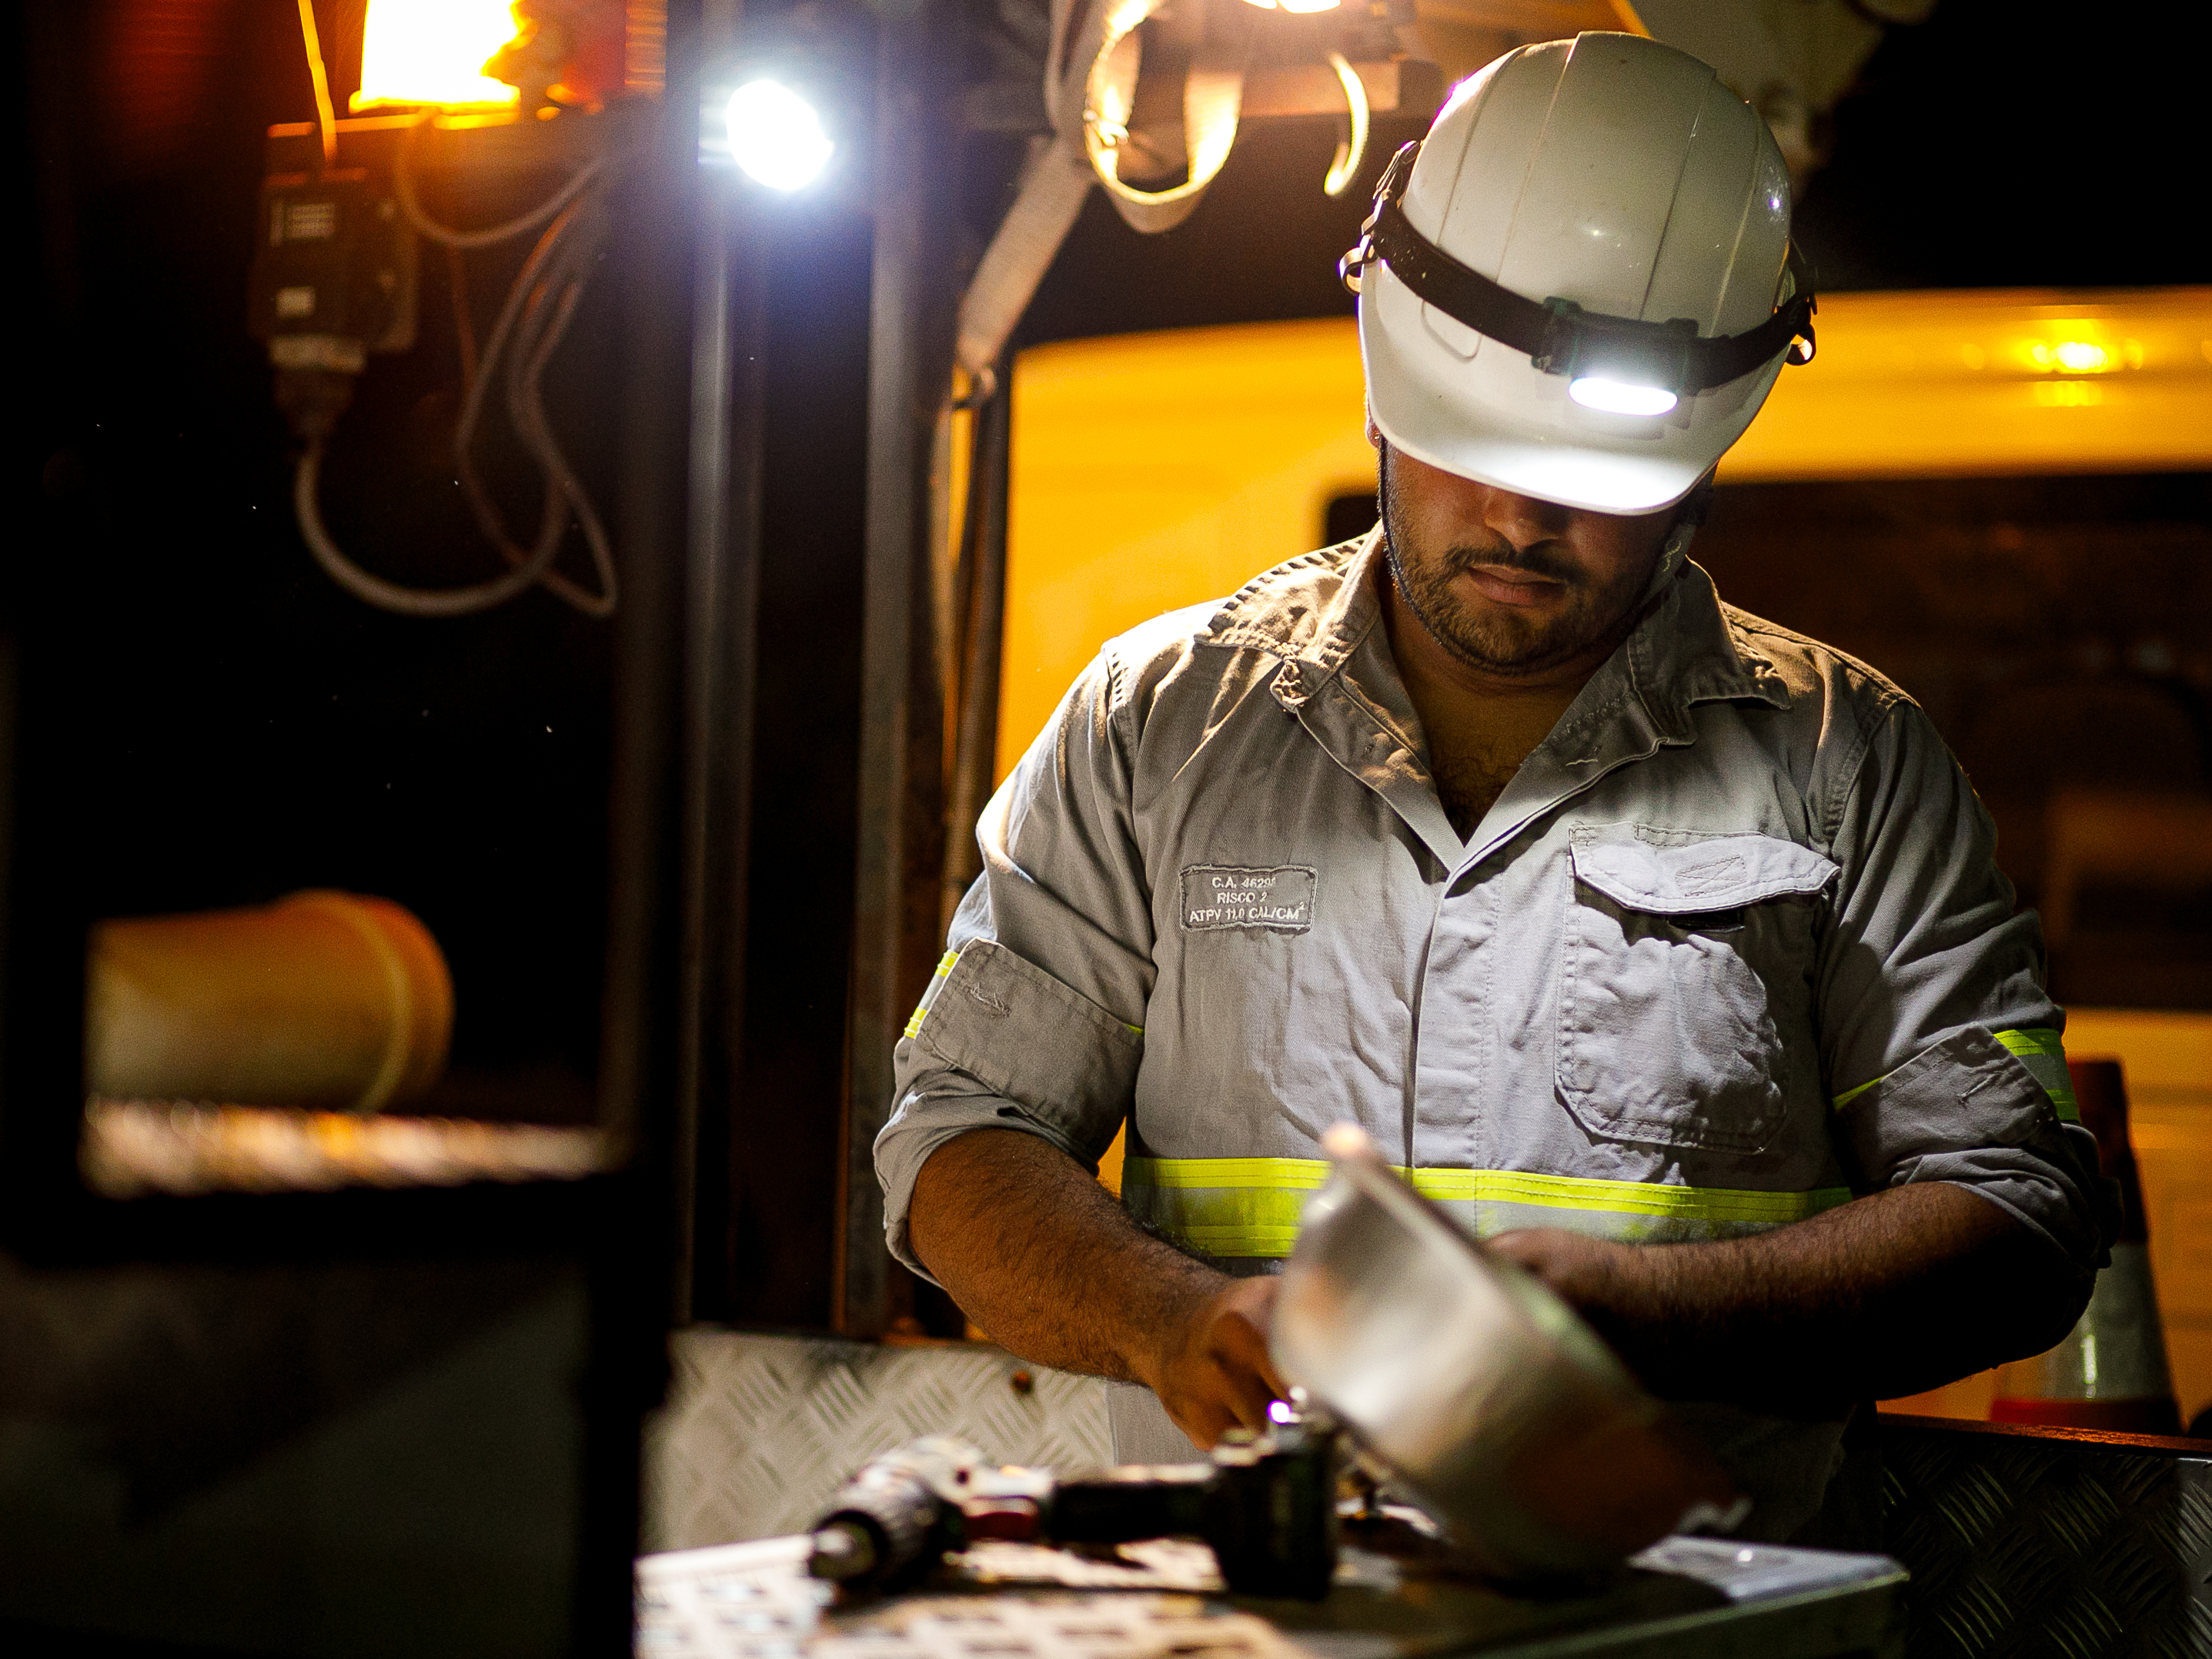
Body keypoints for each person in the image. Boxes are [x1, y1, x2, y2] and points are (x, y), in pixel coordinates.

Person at [876, 32, 2117, 1544]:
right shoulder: (1156, 725)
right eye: (1472, 450)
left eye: (1593, 482)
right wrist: (1167, 1317)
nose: (1523, 517)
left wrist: (1647, 1316)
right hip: (1244, 1616)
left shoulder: (1848, 766)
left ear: (1710, 449)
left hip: (1676, 1624)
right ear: (1386, 382)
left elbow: (2021, 1214)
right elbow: (959, 1139)